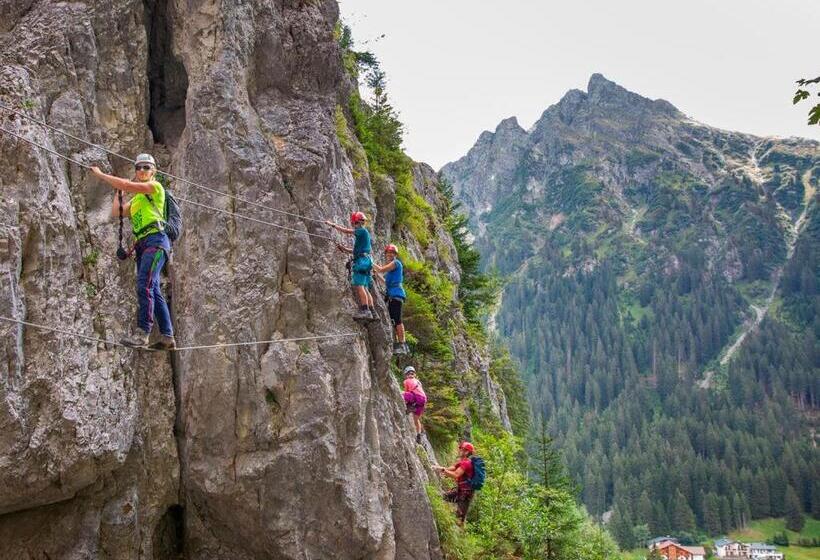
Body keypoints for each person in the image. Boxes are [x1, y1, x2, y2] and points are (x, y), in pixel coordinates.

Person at [90, 154, 175, 350]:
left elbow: (128, 185)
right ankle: (167, 336)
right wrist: (117, 190)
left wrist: (102, 175)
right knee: (152, 288)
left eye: (147, 167)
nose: (142, 171)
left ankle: (143, 333)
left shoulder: (155, 188)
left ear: (153, 171)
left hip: (156, 241)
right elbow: (117, 212)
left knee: (143, 284)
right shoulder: (137, 200)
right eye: (139, 168)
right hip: (144, 245)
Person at [326, 212, 376, 321]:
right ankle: (373, 312)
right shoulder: (364, 234)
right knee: (365, 288)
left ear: (354, 222)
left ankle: (365, 310)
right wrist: (343, 249)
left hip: (362, 262)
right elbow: (355, 251)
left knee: (359, 286)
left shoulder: (361, 231)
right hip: (366, 261)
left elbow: (347, 231)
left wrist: (332, 225)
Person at [373, 244, 408, 354]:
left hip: (396, 296)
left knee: (397, 319)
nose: (390, 254)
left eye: (392, 253)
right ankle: (398, 342)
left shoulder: (396, 263)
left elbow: (381, 269)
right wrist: (376, 275)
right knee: (392, 319)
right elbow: (385, 282)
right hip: (391, 296)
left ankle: (402, 343)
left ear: (395, 255)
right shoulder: (391, 272)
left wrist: (369, 260)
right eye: (388, 252)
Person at [434, 441, 476, 526]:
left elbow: (456, 474)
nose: (459, 450)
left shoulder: (466, 463)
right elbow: (452, 468)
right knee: (443, 496)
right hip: (460, 491)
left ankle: (460, 535)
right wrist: (440, 469)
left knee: (459, 519)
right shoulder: (462, 461)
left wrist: (443, 471)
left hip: (465, 494)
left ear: (467, 452)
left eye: (461, 449)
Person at [402, 366, 426, 443]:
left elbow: (407, 392)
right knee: (416, 419)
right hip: (423, 400)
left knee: (402, 394)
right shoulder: (418, 382)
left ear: (406, 374)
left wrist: (405, 404)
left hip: (416, 397)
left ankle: (410, 407)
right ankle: (418, 435)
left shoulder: (406, 381)